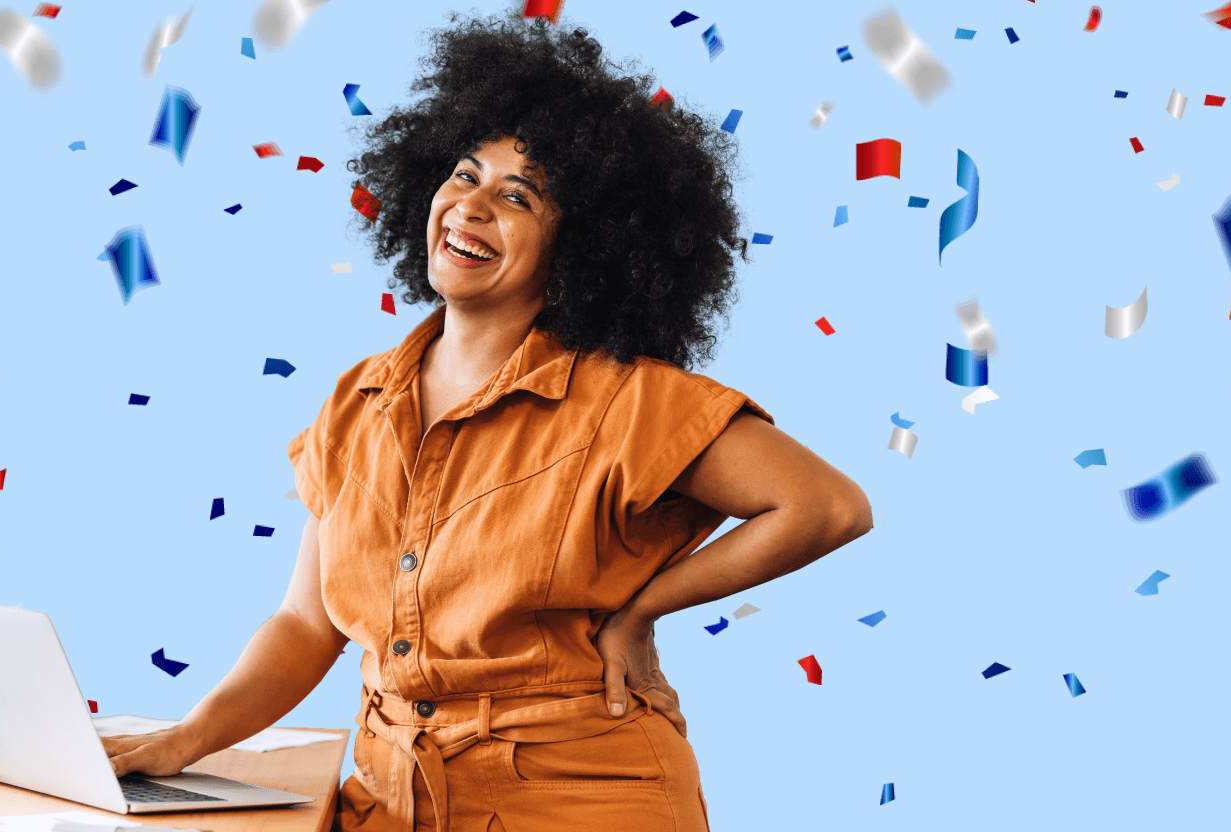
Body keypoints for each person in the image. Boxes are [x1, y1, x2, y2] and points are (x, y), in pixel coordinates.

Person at [103, 13, 873, 831]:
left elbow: (826, 507)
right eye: (464, 176)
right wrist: (185, 741)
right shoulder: (357, 402)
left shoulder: (629, 401)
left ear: (580, 248)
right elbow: (305, 624)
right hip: (389, 798)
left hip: (579, 798)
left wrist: (644, 607)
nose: (468, 207)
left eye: (517, 196)